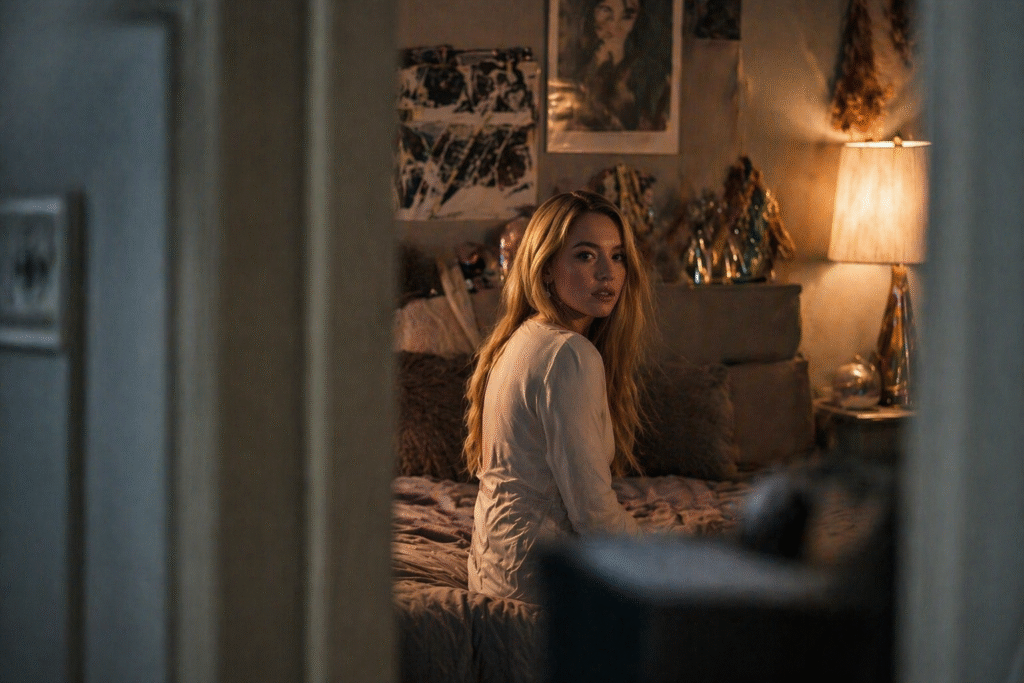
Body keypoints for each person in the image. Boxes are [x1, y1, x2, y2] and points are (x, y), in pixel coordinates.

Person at [464, 190, 655, 604]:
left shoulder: (520, 339)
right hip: (542, 589)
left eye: (617, 256)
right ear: (547, 268)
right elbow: (594, 515)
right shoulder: (568, 356)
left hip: (493, 572)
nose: (607, 273)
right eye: (585, 256)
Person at [558, 0, 672, 132]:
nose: (615, 25)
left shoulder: (652, 73)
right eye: (606, 10)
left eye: (627, 16)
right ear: (592, 12)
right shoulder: (575, 67)